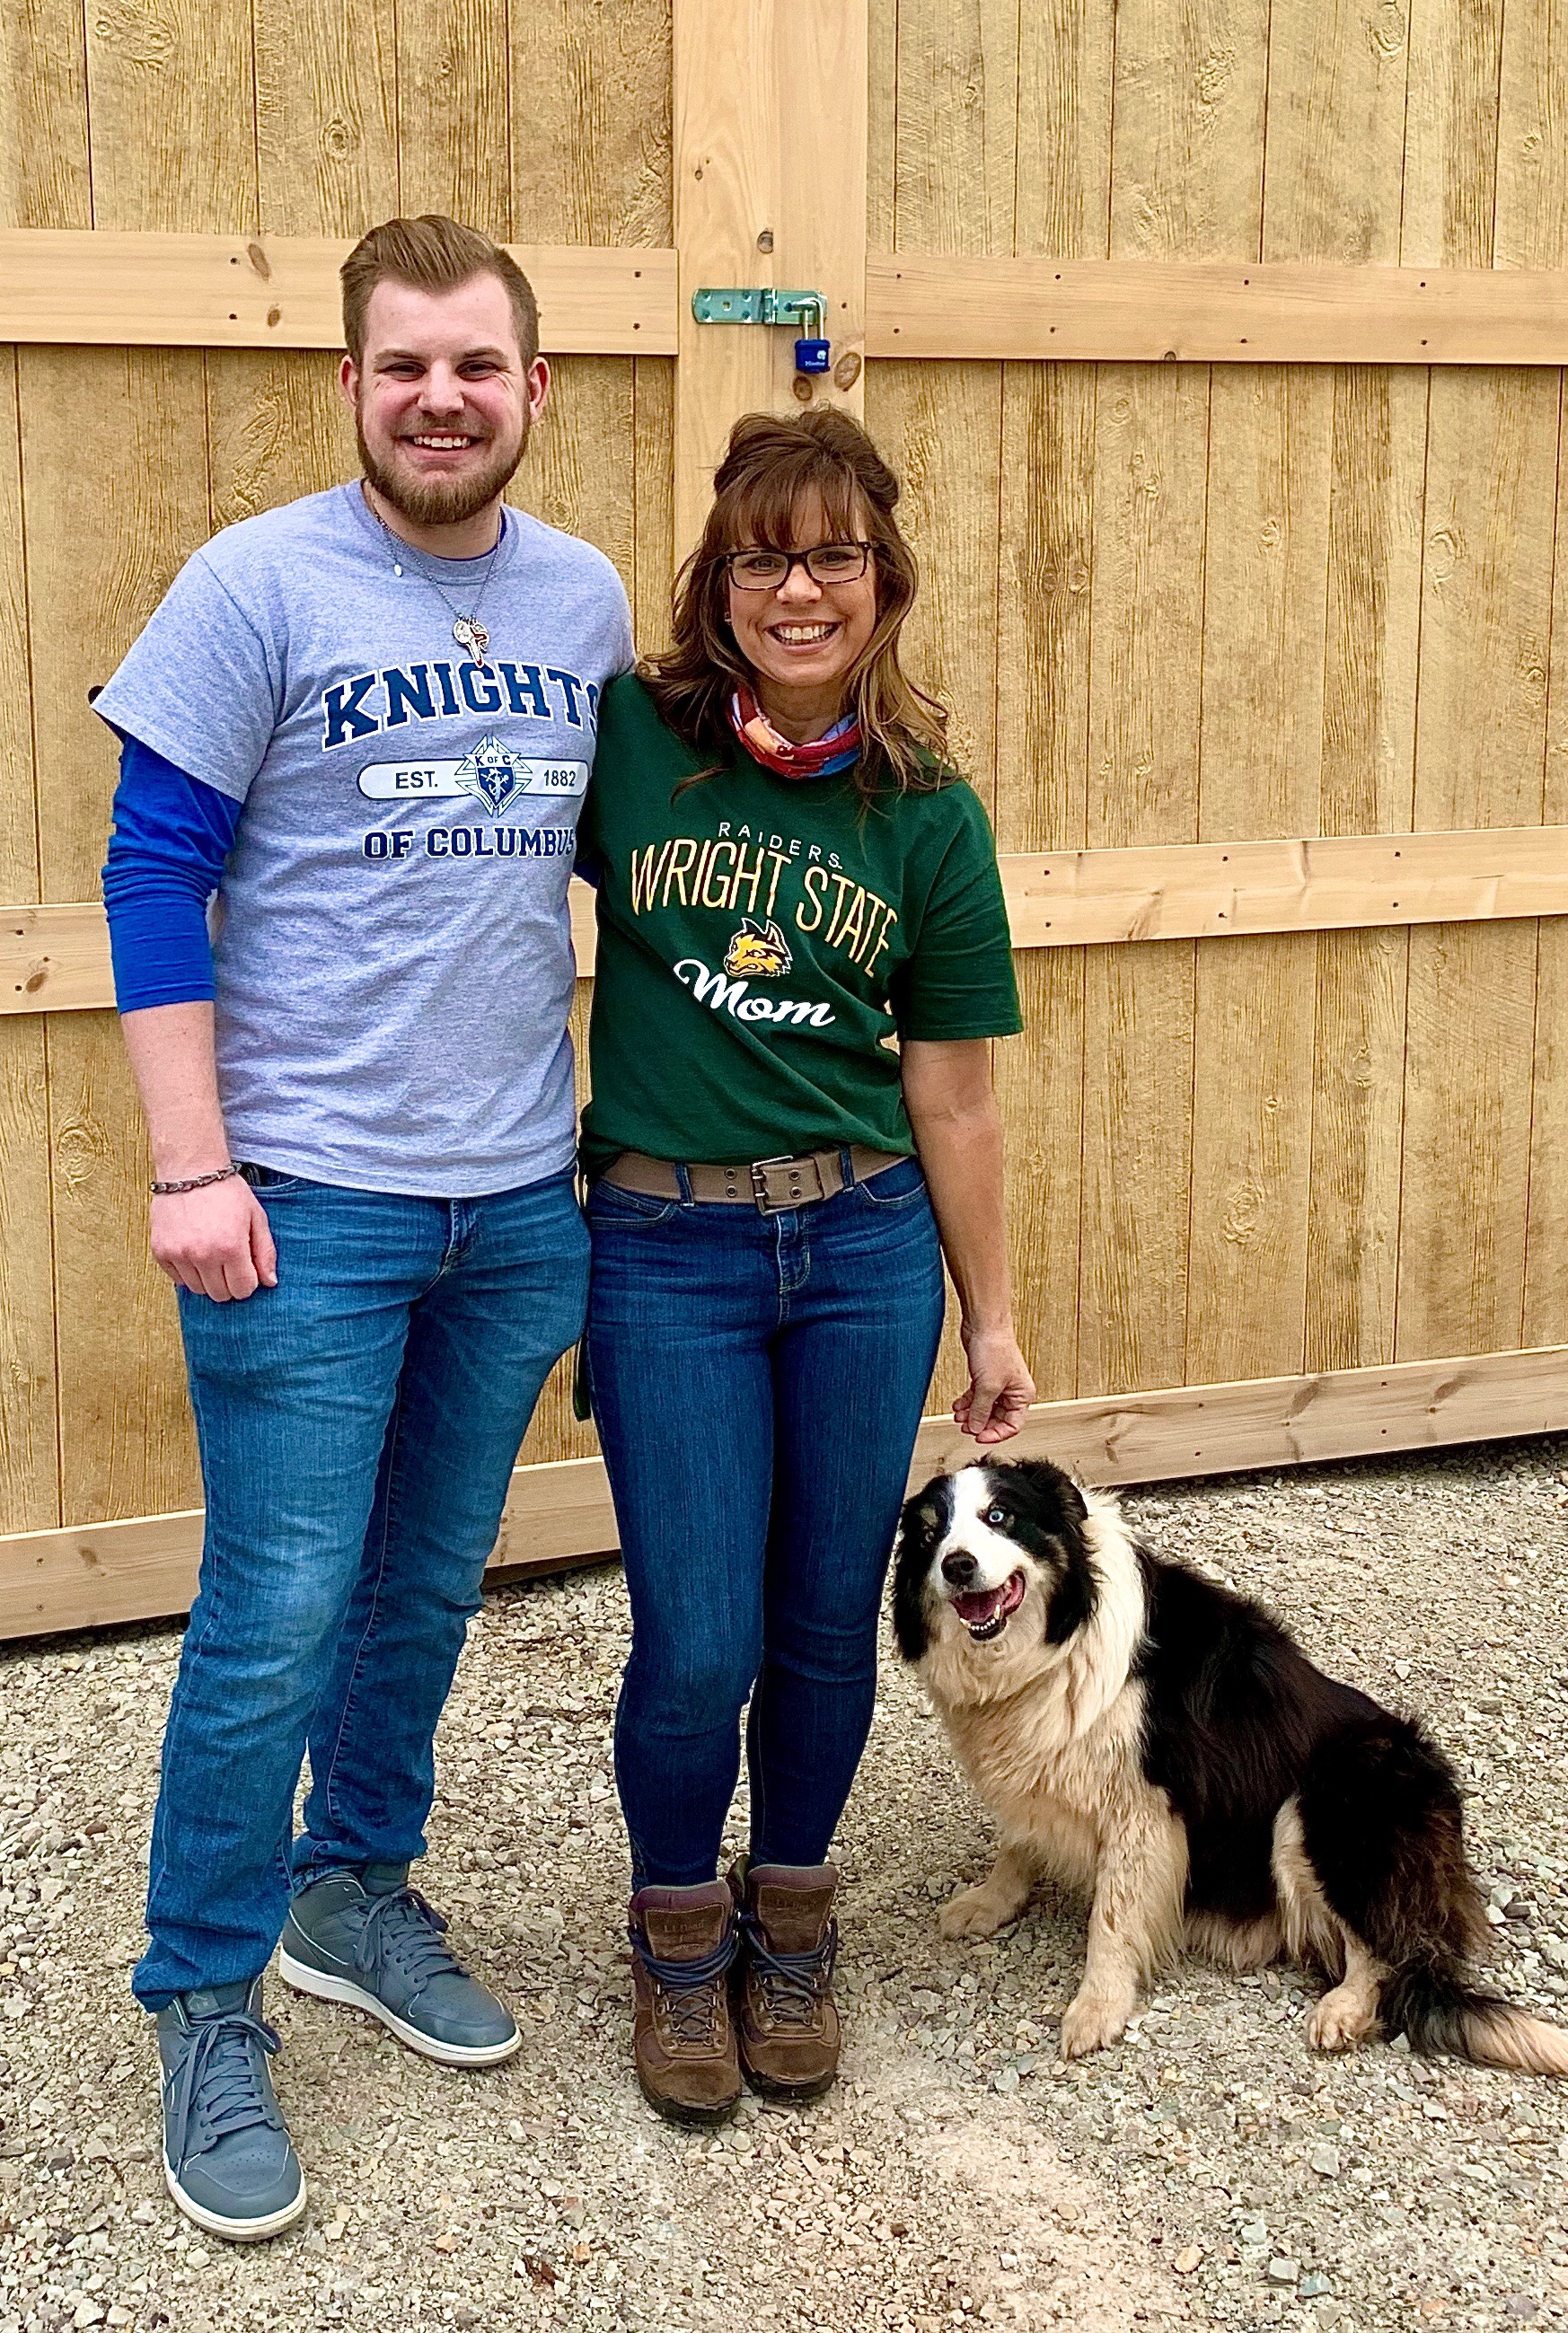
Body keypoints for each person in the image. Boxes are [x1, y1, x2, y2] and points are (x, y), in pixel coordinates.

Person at [93, 215, 633, 2241]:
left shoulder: (583, 600)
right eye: (402, 364)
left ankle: (352, 1889)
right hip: (304, 1198)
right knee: (275, 1611)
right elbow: (153, 872)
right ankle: (203, 1994)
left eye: (476, 365)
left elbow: (648, 856)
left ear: (533, 387)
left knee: (421, 1586)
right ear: (348, 384)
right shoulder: (252, 584)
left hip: (515, 1195)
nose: (440, 398)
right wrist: (190, 1165)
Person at [577, 408, 1035, 2124]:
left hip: (860, 1248)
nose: (797, 590)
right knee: (699, 1638)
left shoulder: (925, 814)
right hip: (665, 1247)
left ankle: (790, 1918)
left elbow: (953, 1093)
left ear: (883, 583)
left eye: (832, 555)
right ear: (718, 583)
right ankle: (674, 1929)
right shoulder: (632, 742)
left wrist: (991, 1317)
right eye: (762, 557)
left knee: (828, 1623)